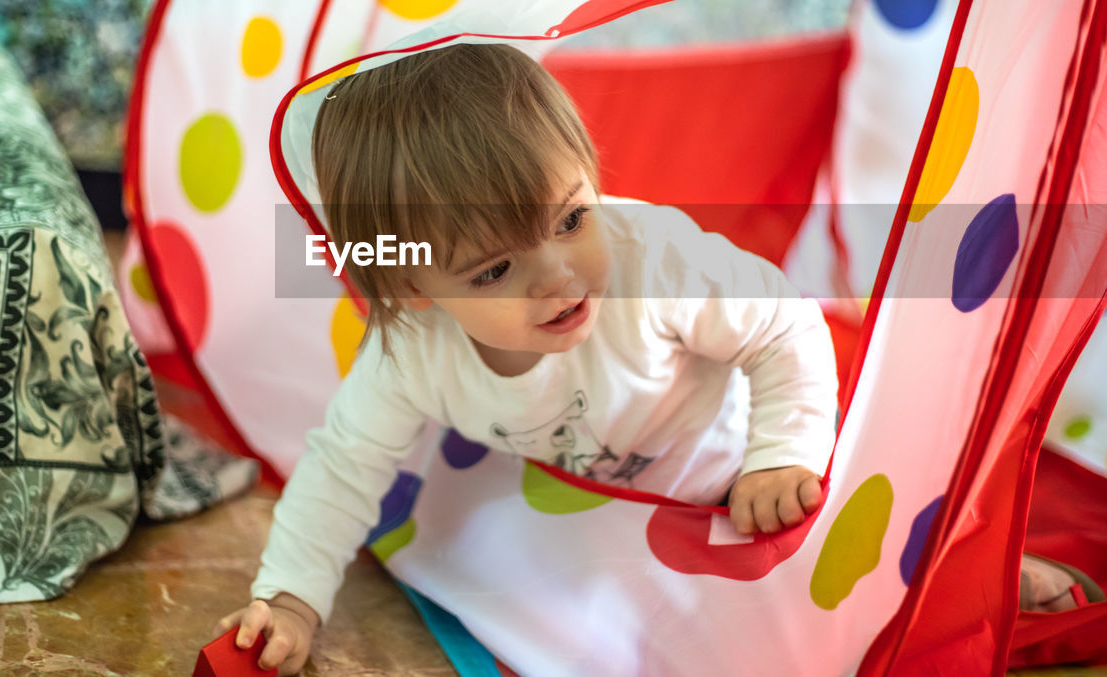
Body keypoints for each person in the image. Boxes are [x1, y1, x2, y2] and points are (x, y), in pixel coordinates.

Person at [216, 43, 839, 674]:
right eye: (494, 271)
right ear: (412, 288)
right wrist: (290, 598)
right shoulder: (410, 349)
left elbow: (785, 326)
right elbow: (344, 464)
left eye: (571, 219)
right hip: (597, 522)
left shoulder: (654, 262)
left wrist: (782, 454)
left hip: (730, 485)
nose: (557, 277)